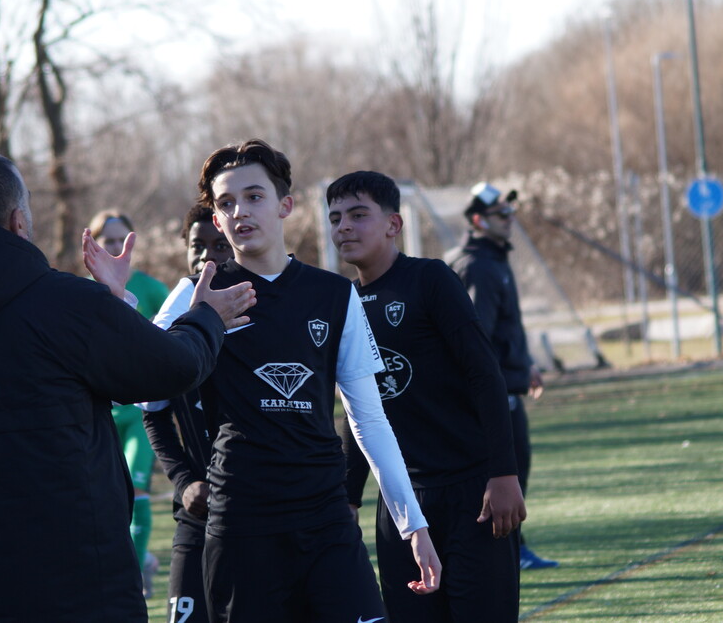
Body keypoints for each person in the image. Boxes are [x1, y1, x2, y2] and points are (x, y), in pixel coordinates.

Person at [0, 152, 255, 622]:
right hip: (78, 588)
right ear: (18, 221)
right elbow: (173, 368)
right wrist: (206, 317)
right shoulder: (65, 305)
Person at [85, 139, 441, 623]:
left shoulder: (334, 294)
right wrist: (117, 299)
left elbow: (369, 420)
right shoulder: (197, 292)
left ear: (284, 206)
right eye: (226, 203)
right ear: (216, 221)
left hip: (326, 521)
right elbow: (142, 385)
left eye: (254, 197)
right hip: (241, 524)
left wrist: (413, 524)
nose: (240, 212)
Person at [328, 170, 526, 622]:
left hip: (472, 493)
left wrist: (503, 472)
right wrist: (348, 498)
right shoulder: (341, 304)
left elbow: (484, 373)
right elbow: (359, 411)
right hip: (401, 502)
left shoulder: (430, 279)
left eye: (358, 215)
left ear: (393, 224)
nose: (344, 227)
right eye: (336, 218)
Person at [446, 181, 559, 571]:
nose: (510, 219)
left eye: (511, 212)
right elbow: (477, 342)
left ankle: (513, 550)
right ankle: (505, 555)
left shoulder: (491, 259)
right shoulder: (477, 265)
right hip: (491, 396)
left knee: (513, 473)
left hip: (505, 386)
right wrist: (503, 380)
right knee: (502, 478)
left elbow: (501, 333)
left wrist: (523, 365)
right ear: (479, 220)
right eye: (501, 214)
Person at [141, 204, 234, 623]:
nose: (207, 256)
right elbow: (153, 413)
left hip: (257, 515)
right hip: (196, 514)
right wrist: (184, 482)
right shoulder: (175, 322)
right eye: (198, 246)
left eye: (220, 245)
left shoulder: (258, 316)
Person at [87, 208, 167, 594]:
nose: (116, 246)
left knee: (137, 490)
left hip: (138, 414)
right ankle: (140, 561)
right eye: (108, 241)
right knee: (102, 498)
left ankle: (130, 581)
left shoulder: (152, 290)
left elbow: (175, 342)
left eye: (122, 239)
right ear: (94, 244)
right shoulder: (79, 293)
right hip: (97, 414)